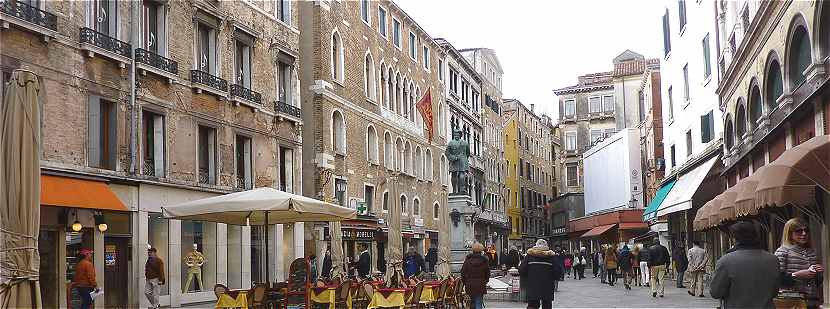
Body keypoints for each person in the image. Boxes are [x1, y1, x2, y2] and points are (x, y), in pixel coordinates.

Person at [710, 221, 781, 308]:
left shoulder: (725, 261)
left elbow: (715, 292)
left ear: (734, 239)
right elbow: (775, 291)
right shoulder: (773, 260)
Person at [774, 218, 825, 308]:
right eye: (799, 231)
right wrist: (796, 275)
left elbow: (817, 283)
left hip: (812, 301)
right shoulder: (782, 252)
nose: (804, 234)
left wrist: (818, 273)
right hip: (792, 302)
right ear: (789, 234)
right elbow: (777, 279)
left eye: (806, 230)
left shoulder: (812, 252)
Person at [519, 239, 562, 309]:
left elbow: (522, 270)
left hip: (532, 287)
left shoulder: (529, 256)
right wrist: (552, 278)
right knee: (547, 306)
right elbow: (558, 272)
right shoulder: (551, 257)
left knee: (532, 306)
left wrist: (529, 276)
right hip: (547, 287)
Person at [461, 243, 490, 309]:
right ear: (481, 251)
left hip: (470, 284)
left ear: (472, 250)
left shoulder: (467, 260)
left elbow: (463, 272)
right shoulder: (484, 260)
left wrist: (465, 282)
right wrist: (486, 280)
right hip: (480, 284)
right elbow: (487, 272)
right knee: (478, 302)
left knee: (472, 302)